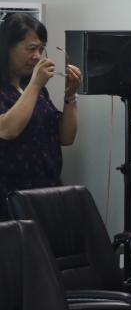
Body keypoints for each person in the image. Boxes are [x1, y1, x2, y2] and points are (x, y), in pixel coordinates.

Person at [0, 13, 82, 222]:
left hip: (46, 192)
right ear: (7, 47)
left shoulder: (33, 88)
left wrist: (70, 95)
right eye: (30, 48)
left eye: (41, 48)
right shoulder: (32, 87)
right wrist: (36, 84)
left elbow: (66, 137)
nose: (37, 56)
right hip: (9, 197)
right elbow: (8, 129)